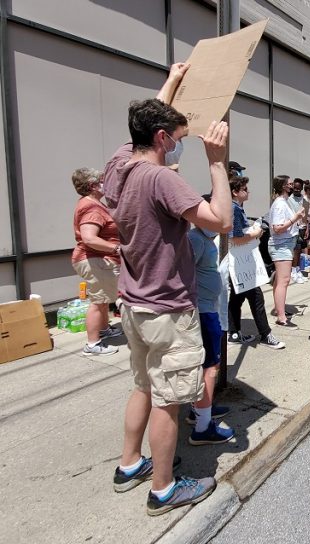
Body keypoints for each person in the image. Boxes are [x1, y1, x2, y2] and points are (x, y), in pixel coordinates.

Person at [103, 63, 232, 516]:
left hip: (134, 303)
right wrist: (217, 161)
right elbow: (221, 221)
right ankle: (162, 489)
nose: (179, 144)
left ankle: (130, 463)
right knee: (169, 399)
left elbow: (148, 119)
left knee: (142, 386)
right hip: (167, 310)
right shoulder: (161, 179)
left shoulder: (118, 165)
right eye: (175, 138)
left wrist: (173, 81)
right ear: (161, 138)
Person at [187, 222, 235, 446]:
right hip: (203, 311)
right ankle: (202, 427)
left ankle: (200, 409)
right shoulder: (196, 239)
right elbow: (183, 273)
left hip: (208, 308)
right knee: (210, 367)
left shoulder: (204, 239)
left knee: (206, 366)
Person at [227, 174, 285, 349]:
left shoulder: (235, 207)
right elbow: (235, 237)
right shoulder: (235, 208)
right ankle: (265, 334)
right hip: (241, 261)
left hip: (239, 261)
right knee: (256, 298)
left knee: (236, 299)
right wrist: (256, 232)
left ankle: (234, 332)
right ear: (235, 192)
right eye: (245, 189)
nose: (248, 192)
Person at [70, 167, 123, 356]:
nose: (106, 183)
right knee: (98, 300)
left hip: (96, 260)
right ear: (93, 185)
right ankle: (92, 345)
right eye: (103, 180)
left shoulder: (91, 203)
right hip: (95, 259)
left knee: (102, 299)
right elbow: (89, 238)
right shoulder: (92, 207)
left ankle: (103, 330)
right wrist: (116, 248)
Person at [268, 175, 305, 327]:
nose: (292, 185)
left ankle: (279, 310)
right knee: (284, 281)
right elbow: (277, 228)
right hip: (281, 245)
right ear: (284, 186)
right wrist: (295, 218)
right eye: (289, 183)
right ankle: (282, 317)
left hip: (284, 244)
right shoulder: (279, 204)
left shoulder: (283, 202)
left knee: (280, 281)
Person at [287, 178, 309, 284]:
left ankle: (297, 269)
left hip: (302, 227)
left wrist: (307, 228)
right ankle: (293, 270)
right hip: (292, 228)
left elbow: (306, 216)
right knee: (295, 250)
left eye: (298, 189)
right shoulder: (289, 199)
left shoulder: (305, 200)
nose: (296, 190)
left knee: (300, 249)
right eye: (294, 188)